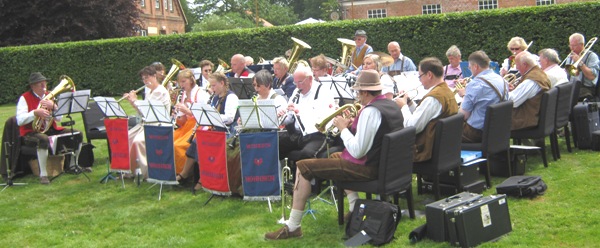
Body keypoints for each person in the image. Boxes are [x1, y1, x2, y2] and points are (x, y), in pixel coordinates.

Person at [264, 69, 404, 240]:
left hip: (369, 168)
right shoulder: (390, 105)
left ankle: (293, 226)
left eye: (359, 92)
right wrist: (353, 126)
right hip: (386, 165)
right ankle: (354, 208)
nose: (357, 96)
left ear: (366, 92)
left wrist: (344, 128)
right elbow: (374, 137)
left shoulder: (370, 112)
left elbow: (358, 150)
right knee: (335, 157)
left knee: (303, 166)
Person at [16, 72, 84, 184]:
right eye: (40, 84)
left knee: (77, 134)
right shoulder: (24, 98)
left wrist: (54, 107)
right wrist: (35, 113)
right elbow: (20, 120)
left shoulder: (49, 96)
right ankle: (43, 174)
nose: (44, 87)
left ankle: (73, 164)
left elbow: (59, 119)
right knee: (43, 139)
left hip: (51, 129)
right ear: (33, 86)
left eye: (45, 83)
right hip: (31, 132)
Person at [394, 57, 459, 162]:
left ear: (429, 75)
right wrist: (410, 103)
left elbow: (411, 127)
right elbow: (427, 116)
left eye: (420, 76)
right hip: (444, 149)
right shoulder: (446, 91)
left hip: (426, 150)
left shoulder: (433, 98)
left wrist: (403, 107)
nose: (419, 80)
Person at [278, 65, 335, 165]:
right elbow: (290, 119)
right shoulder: (297, 92)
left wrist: (298, 111)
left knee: (306, 154)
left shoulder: (323, 92)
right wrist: (282, 116)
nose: (297, 86)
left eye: (300, 82)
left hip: (317, 135)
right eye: (295, 82)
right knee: (275, 145)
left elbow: (323, 120)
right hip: (298, 135)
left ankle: (303, 177)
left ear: (310, 79)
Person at [123, 66, 171, 179]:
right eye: (143, 79)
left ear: (154, 76)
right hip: (148, 123)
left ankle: (145, 173)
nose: (145, 81)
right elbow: (142, 112)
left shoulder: (159, 91)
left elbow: (148, 111)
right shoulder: (150, 91)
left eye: (147, 78)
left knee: (138, 142)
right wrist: (131, 102)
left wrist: (134, 100)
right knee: (128, 137)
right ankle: (131, 170)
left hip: (159, 124)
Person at [459, 51, 509, 143]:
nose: (470, 70)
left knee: (442, 133)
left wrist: (464, 96)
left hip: (477, 132)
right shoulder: (502, 80)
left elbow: (463, 116)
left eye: (470, 67)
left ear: (476, 66)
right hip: (498, 129)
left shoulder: (475, 84)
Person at [172, 69, 210, 174]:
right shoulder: (184, 94)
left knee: (178, 146)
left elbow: (205, 115)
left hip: (198, 126)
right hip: (186, 126)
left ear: (191, 80)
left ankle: (183, 174)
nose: (181, 84)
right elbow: (182, 121)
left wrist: (187, 111)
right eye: (180, 82)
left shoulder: (201, 93)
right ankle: (173, 171)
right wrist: (177, 115)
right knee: (169, 141)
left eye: (184, 81)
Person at [509, 51, 551, 130]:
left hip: (524, 119)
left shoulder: (531, 80)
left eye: (517, 65)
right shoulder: (539, 73)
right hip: (533, 115)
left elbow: (513, 102)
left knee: (491, 117)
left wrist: (502, 90)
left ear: (525, 65)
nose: (516, 68)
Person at [565, 33, 599, 99]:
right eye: (570, 45)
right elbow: (574, 74)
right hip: (571, 86)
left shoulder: (592, 56)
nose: (571, 48)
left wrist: (580, 63)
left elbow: (592, 76)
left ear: (582, 45)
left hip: (586, 89)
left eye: (574, 45)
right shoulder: (570, 56)